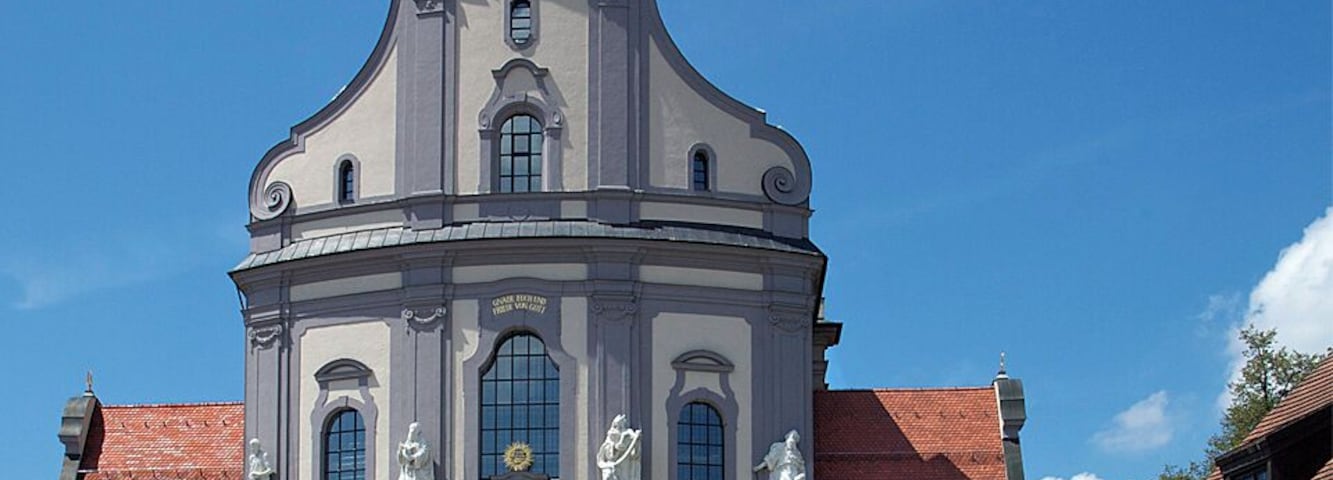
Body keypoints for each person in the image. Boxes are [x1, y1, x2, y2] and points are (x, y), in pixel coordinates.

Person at [595, 414, 642, 480]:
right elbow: (605, 456)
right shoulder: (610, 438)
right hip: (614, 467)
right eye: (617, 425)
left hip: (625, 468)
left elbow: (634, 455)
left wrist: (636, 441)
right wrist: (614, 447)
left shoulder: (628, 436)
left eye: (621, 425)